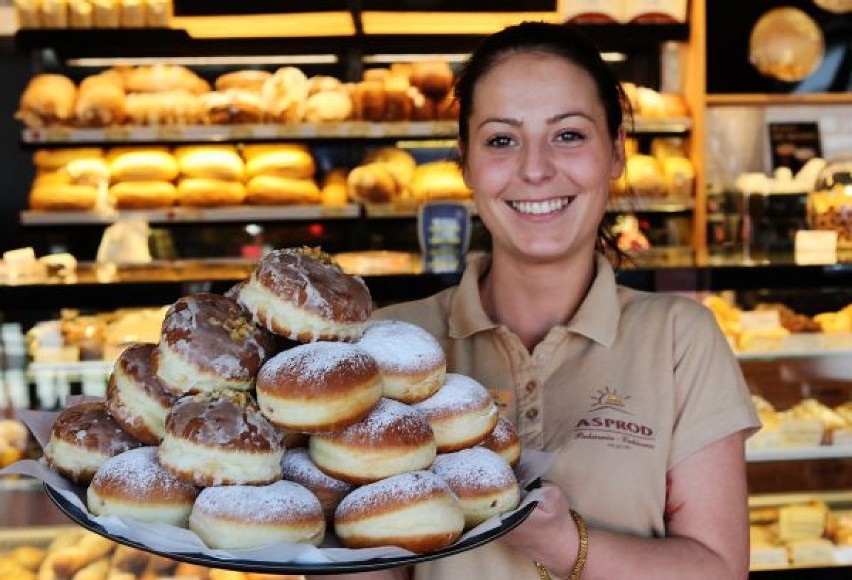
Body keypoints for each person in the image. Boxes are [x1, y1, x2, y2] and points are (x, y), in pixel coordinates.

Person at [312, 21, 759, 580]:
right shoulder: (388, 345)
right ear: (466, 162)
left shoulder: (679, 338)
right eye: (502, 139)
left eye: (568, 134)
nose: (535, 168)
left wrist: (564, 543)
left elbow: (719, 570)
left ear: (616, 152)